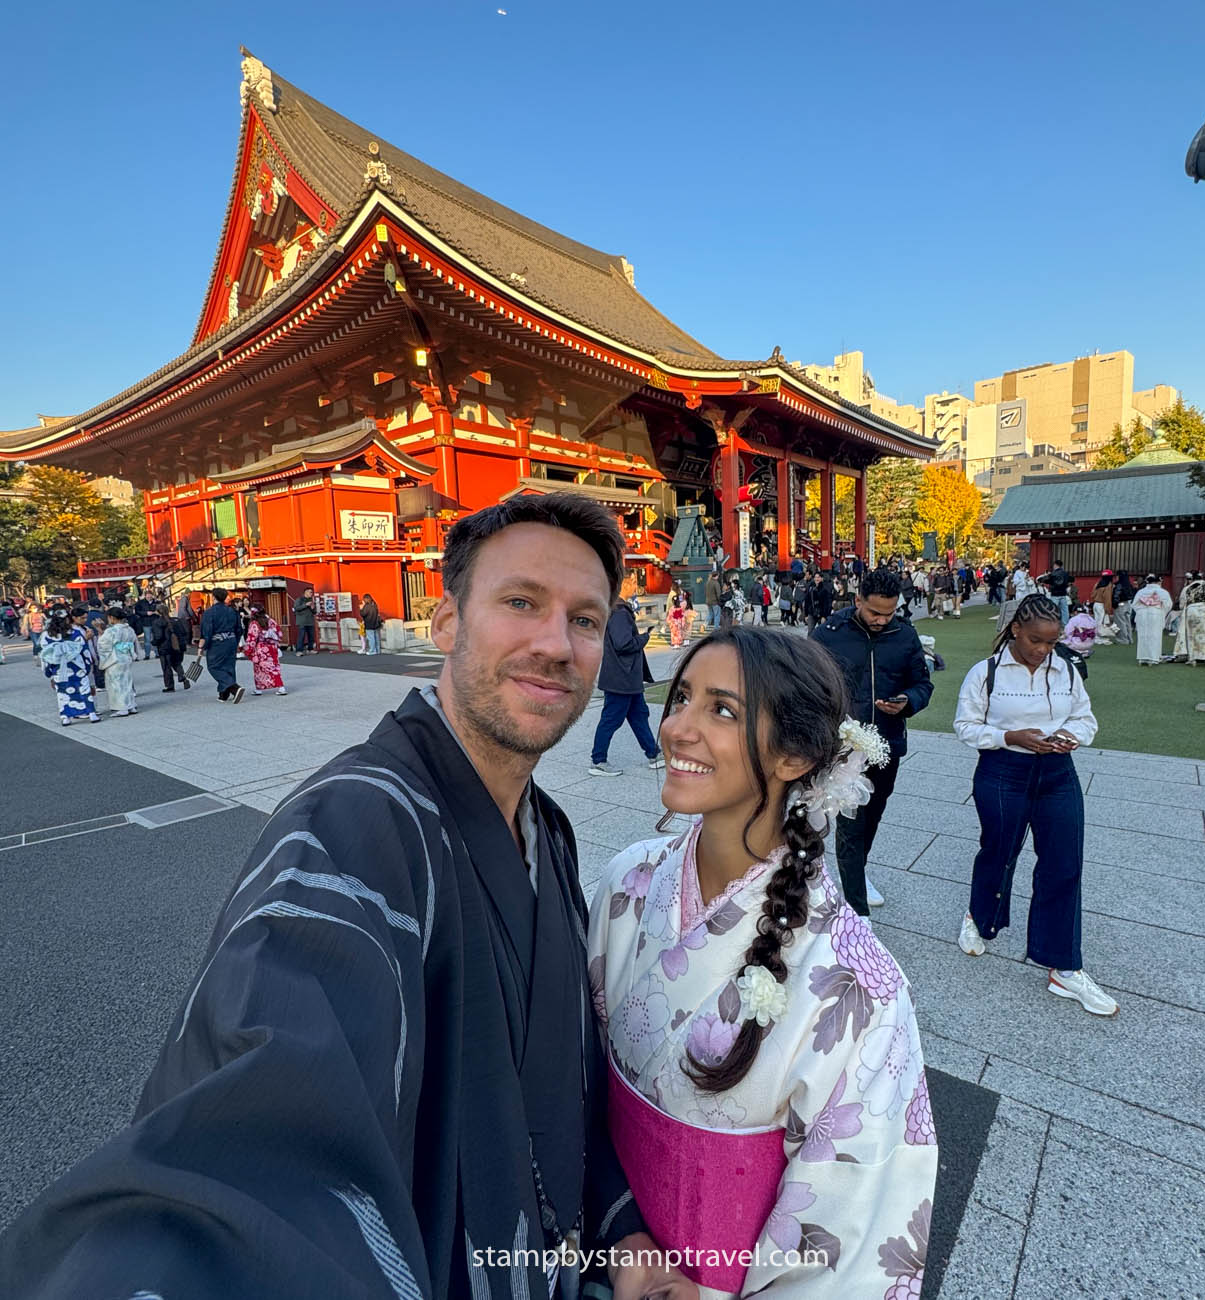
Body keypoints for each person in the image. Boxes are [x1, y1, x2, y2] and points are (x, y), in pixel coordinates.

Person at [0, 494, 694, 1300]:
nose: (555, 643)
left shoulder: (550, 831)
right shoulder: (356, 824)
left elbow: (563, 1071)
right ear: (445, 623)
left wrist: (616, 1230)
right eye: (519, 603)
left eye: (584, 619)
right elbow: (267, 1125)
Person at [589, 627, 937, 1298]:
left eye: (721, 709)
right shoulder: (627, 885)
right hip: (607, 1250)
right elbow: (573, 1075)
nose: (677, 728)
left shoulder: (858, 989)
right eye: (681, 697)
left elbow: (853, 1231)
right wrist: (616, 1232)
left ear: (795, 756)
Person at [952, 593, 1116, 1016]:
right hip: (1003, 771)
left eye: (1052, 642)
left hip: (1058, 772)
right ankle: (980, 919)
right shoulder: (985, 672)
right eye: (1037, 642)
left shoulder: (1065, 669)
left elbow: (1086, 717)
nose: (1045, 651)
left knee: (1064, 863)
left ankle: (1063, 965)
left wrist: (1073, 736)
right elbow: (966, 726)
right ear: (1015, 631)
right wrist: (1010, 737)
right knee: (1000, 853)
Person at [812, 568, 933, 914]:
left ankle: (856, 875)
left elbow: (922, 685)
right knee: (851, 823)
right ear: (858, 601)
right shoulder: (829, 633)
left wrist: (907, 701)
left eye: (889, 613)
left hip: (886, 743)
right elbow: (806, 681)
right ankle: (856, 911)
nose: (881, 620)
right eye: (874, 612)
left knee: (873, 813)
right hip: (842, 746)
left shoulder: (905, 635)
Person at [589, 589, 666, 777]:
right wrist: (644, 638)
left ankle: (654, 753)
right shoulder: (620, 613)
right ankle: (598, 760)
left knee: (638, 715)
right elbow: (623, 643)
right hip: (622, 677)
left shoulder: (615, 611)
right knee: (611, 719)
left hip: (625, 677)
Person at [39, 608, 100, 726]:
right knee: (84, 689)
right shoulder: (74, 632)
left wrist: (48, 672)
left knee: (63, 693)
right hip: (77, 665)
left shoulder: (46, 635)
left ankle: (65, 716)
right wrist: (87, 666)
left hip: (58, 668)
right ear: (67, 619)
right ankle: (91, 713)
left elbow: (45, 655)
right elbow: (83, 650)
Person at [196, 587, 245, 702]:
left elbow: (206, 632)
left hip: (217, 642)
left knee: (214, 666)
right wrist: (236, 641)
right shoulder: (232, 611)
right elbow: (239, 629)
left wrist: (201, 647)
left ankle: (234, 688)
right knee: (229, 666)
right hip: (231, 640)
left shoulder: (209, 613)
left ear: (213, 597)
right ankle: (223, 694)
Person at [97, 607, 140, 717]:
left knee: (117, 684)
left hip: (115, 658)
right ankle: (131, 705)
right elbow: (134, 643)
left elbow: (103, 645)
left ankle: (122, 707)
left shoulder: (112, 631)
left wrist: (100, 634)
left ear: (111, 618)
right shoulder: (129, 629)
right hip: (126, 657)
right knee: (127, 682)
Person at [1173, 574, 1205, 666]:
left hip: (1193, 609)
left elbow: (1183, 602)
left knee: (1192, 635)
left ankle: (1193, 658)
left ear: (1191, 579)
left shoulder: (1188, 587)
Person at [244, 604, 287, 696]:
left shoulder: (254, 623)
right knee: (273, 667)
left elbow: (252, 638)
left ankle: (266, 688)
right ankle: (273, 687)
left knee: (259, 669)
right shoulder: (271, 621)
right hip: (272, 647)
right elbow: (279, 634)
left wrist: (248, 650)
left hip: (260, 648)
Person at [1133, 574, 1172, 665]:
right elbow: (1168, 605)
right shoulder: (1162, 592)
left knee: (1143, 635)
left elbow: (1134, 604)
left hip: (1142, 614)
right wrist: (1162, 611)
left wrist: (1141, 610)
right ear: (1158, 581)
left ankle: (1142, 658)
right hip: (1156, 613)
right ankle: (1153, 658)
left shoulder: (1141, 592)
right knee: (1155, 635)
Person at [152, 606, 191, 693]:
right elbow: (184, 632)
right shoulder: (177, 620)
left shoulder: (158, 622)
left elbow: (158, 636)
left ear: (158, 612)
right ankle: (182, 676)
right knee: (177, 663)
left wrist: (154, 642)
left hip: (165, 647)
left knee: (166, 667)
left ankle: (170, 686)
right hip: (178, 646)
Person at [1044, 559, 1072, 624]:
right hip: (1063, 594)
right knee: (1065, 611)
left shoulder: (1053, 573)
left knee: (1052, 609)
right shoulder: (1065, 573)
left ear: (1055, 565)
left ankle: (1052, 623)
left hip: (1055, 594)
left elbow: (1046, 580)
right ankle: (1065, 625)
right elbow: (1071, 579)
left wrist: (1046, 575)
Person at [292, 586, 317, 654]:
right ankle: (299, 651)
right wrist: (305, 605)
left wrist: (312, 608)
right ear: (306, 592)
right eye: (310, 592)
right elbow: (296, 608)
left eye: (312, 592)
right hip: (302, 621)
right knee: (301, 636)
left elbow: (315, 612)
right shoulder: (299, 599)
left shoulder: (311, 600)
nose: (311, 594)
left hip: (310, 621)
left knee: (311, 636)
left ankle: (310, 649)